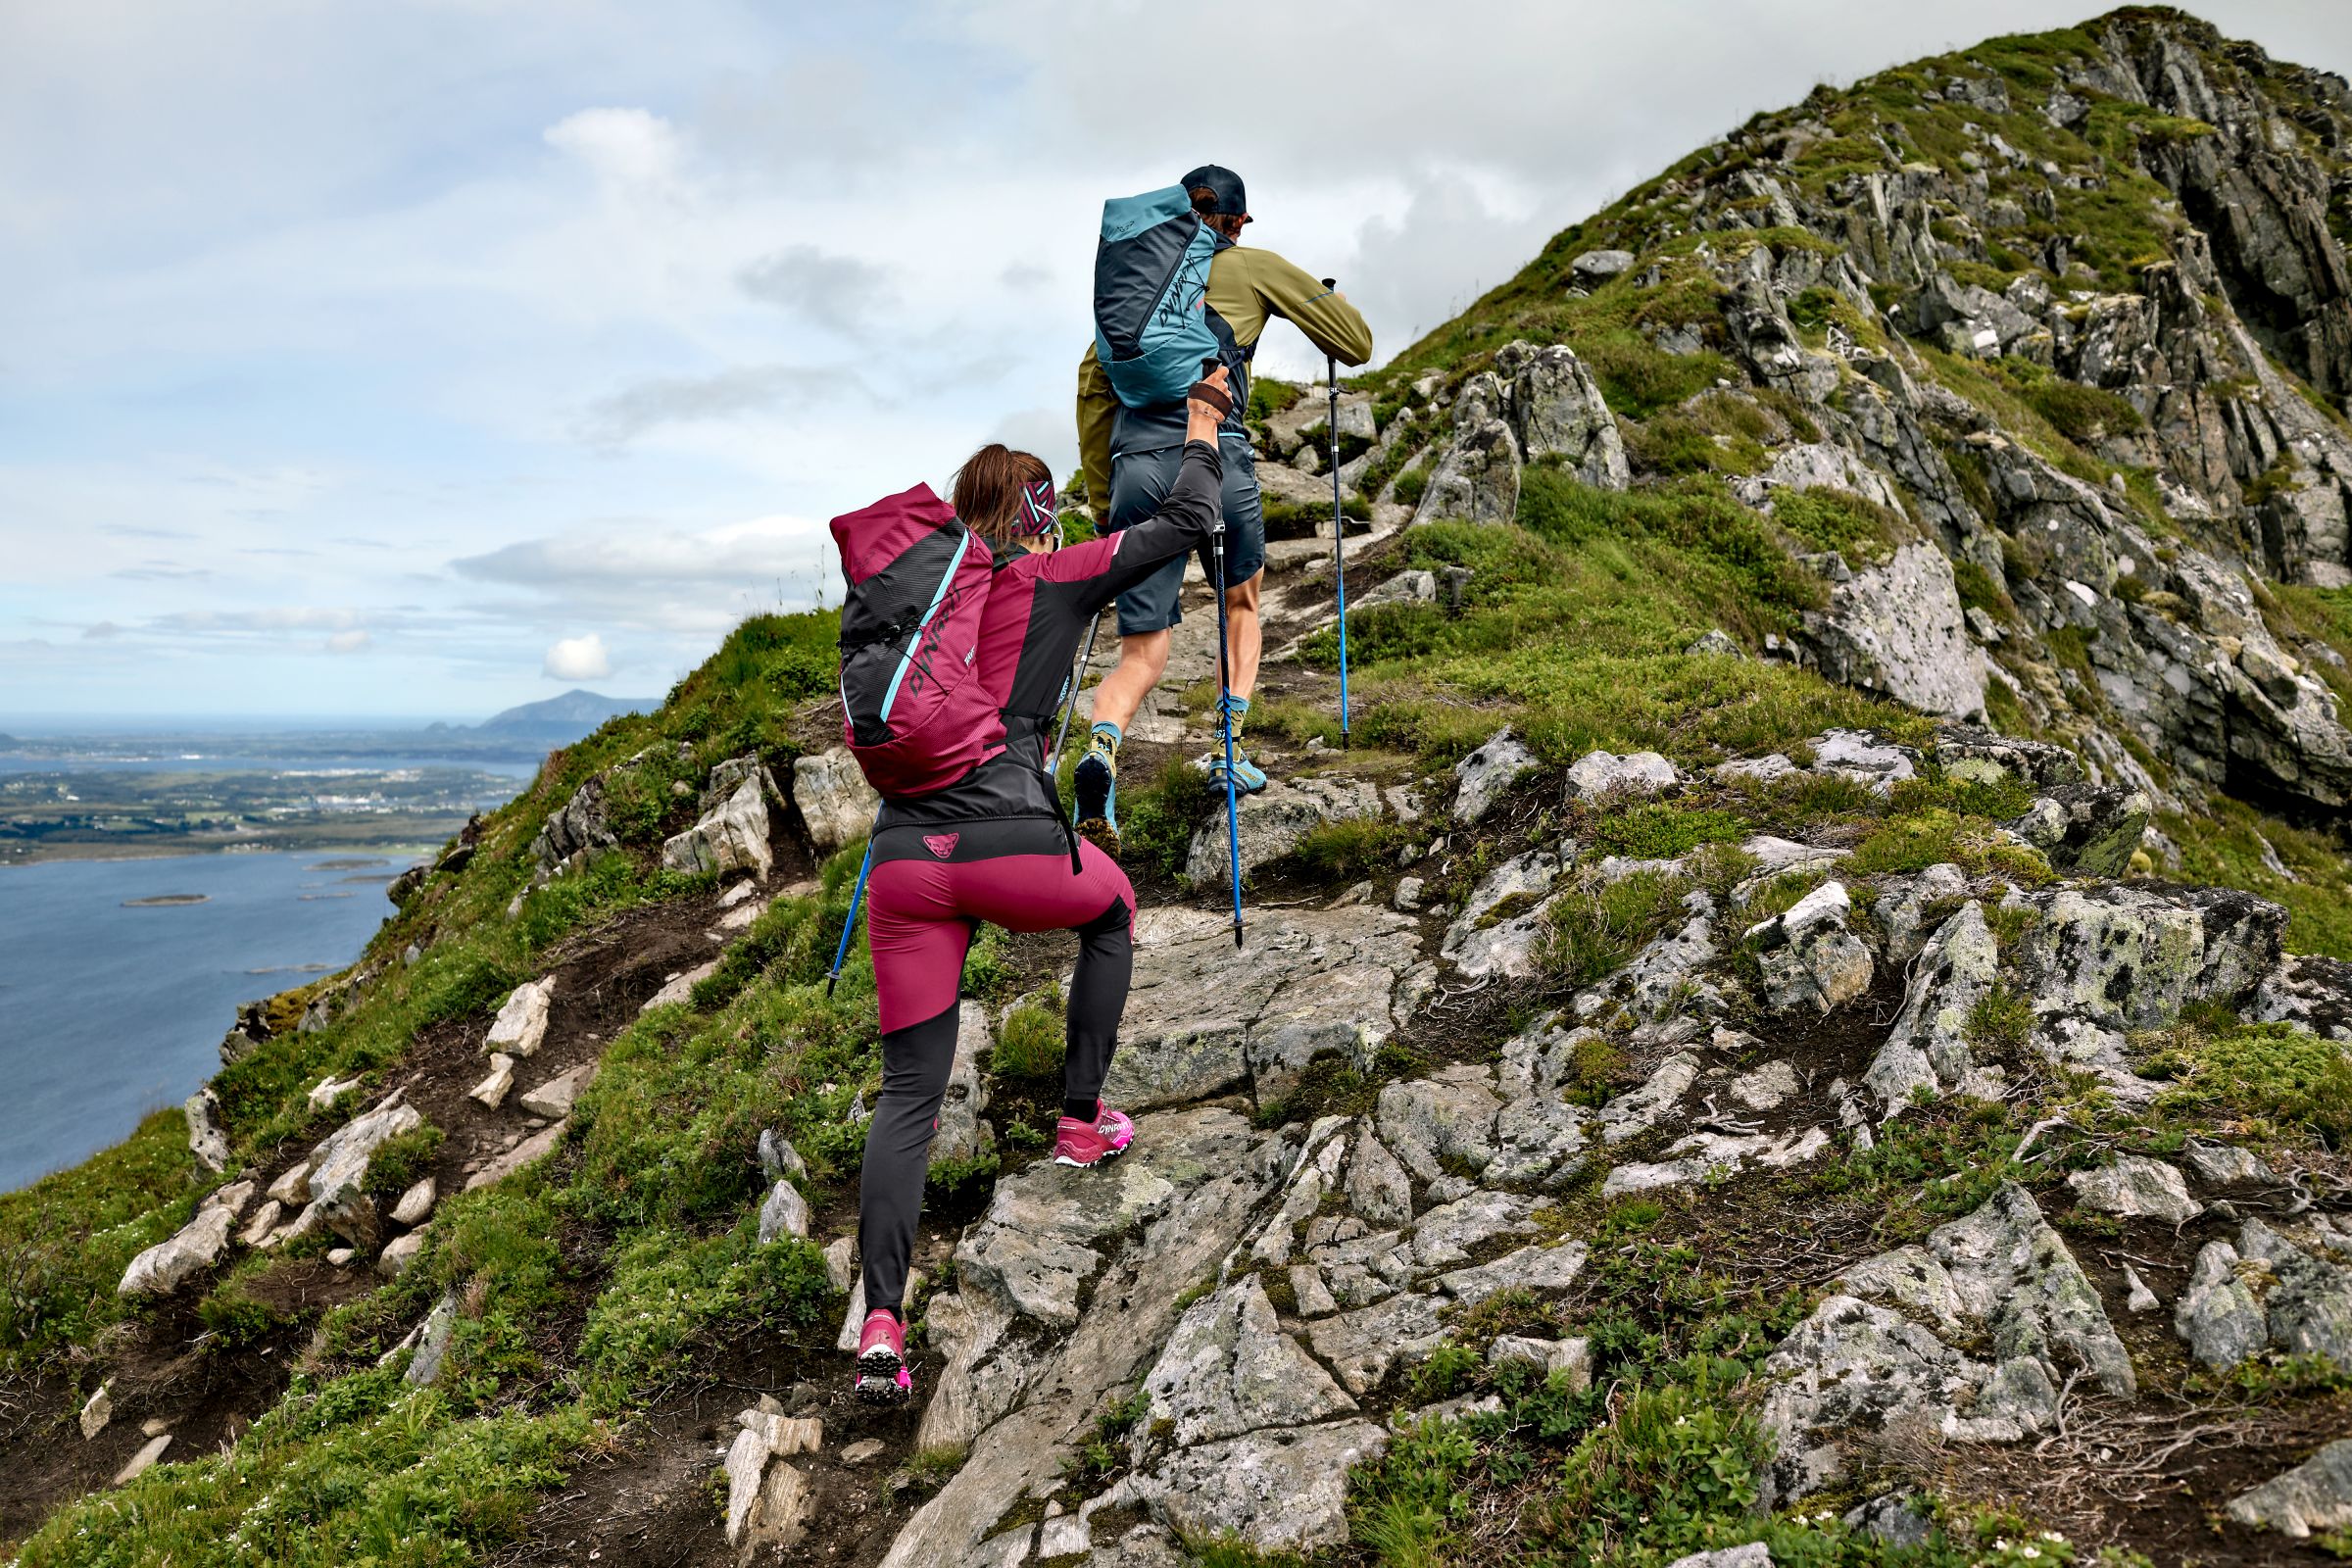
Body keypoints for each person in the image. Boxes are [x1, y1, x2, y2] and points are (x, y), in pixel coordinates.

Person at [848, 368, 1236, 1404]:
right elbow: (1193, 516)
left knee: (910, 1094)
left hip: (902, 863)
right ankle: (1079, 1117)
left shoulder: (920, 613)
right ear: (1037, 513)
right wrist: (1200, 424)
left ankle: (881, 1322)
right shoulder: (1050, 575)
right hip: (1006, 835)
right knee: (1111, 907)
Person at [1071, 163, 1373, 838]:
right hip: (1219, 456)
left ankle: (1102, 750)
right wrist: (1330, 303)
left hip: (1134, 467)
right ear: (1237, 223)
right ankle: (1227, 753)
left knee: (1141, 652)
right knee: (1241, 600)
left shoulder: (1134, 290)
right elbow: (1355, 344)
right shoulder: (1250, 266)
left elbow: (1093, 391)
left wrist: (1102, 503)